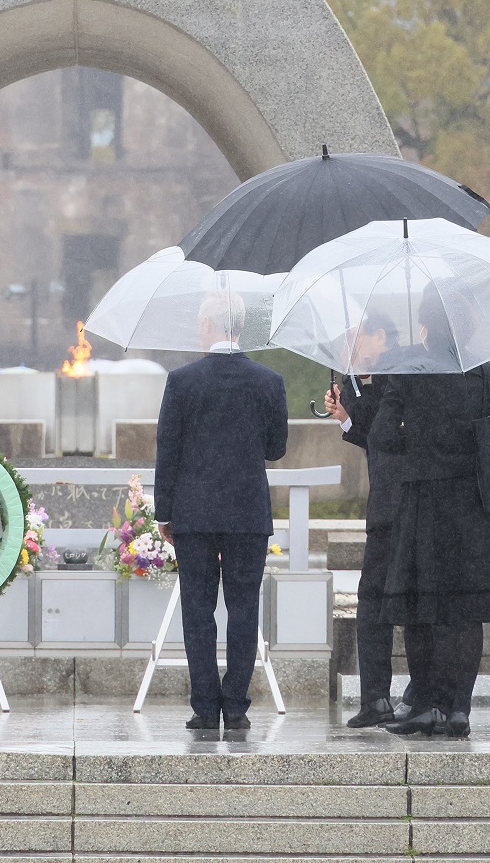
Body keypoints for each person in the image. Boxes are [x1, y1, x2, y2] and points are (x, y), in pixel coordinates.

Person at [370, 287, 490, 738]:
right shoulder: (487, 374)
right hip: (471, 505)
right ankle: (459, 710)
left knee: (421, 607)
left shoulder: (409, 372)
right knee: (464, 610)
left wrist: (414, 436)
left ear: (426, 325)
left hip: (422, 501)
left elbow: (381, 436)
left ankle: (428, 705)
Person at [154, 292, 288, 732]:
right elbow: (276, 449)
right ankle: (236, 705)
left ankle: (204, 707)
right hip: (248, 513)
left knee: (198, 609)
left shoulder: (182, 380)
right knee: (244, 608)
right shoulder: (268, 381)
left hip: (194, 514)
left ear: (210, 325)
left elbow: (167, 451)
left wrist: (163, 513)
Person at [324, 313, 417, 728]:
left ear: (382, 335)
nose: (353, 344)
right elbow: (375, 437)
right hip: (387, 505)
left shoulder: (401, 374)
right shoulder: (373, 378)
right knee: (374, 600)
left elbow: (391, 434)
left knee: (385, 600)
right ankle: (376, 696)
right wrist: (346, 416)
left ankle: (403, 694)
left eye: (358, 337)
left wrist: (356, 401)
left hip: (404, 504)